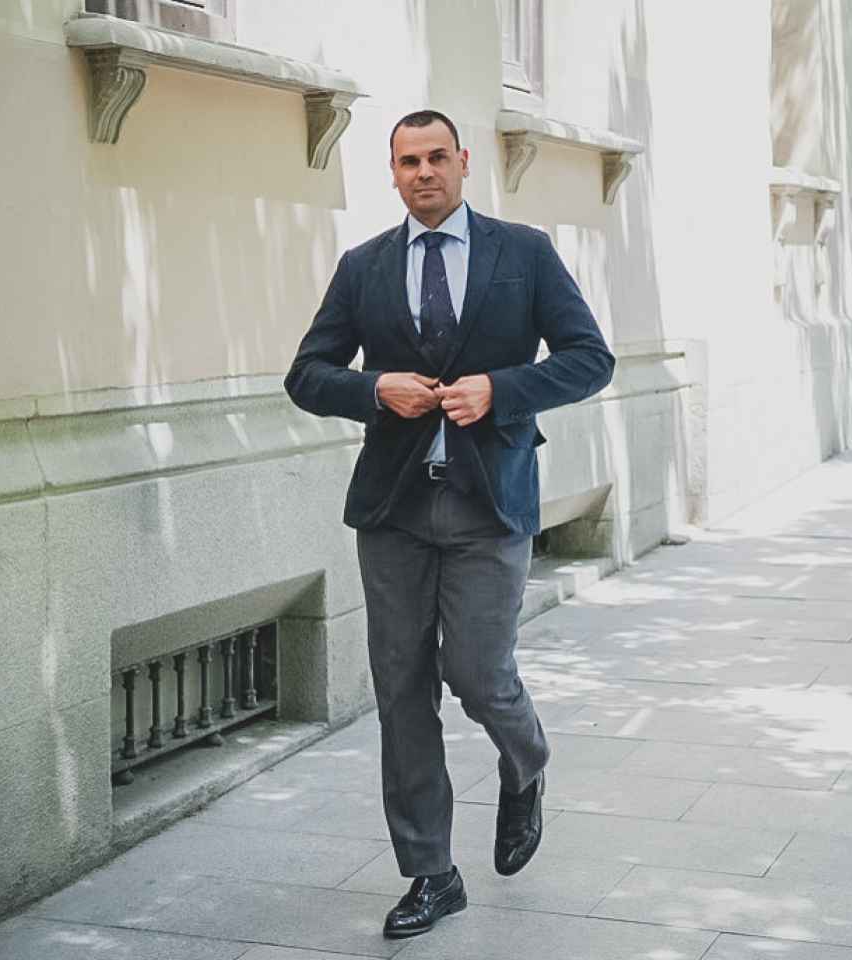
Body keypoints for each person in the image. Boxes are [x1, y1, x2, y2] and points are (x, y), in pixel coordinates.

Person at [285, 109, 614, 939]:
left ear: (464, 163)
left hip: (487, 501)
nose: (423, 172)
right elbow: (307, 373)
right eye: (407, 161)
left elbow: (588, 358)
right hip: (393, 509)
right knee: (401, 693)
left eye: (436, 157)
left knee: (476, 671)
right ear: (391, 174)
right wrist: (373, 390)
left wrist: (503, 389)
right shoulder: (364, 268)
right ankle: (432, 873)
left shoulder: (523, 254)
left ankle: (525, 760)